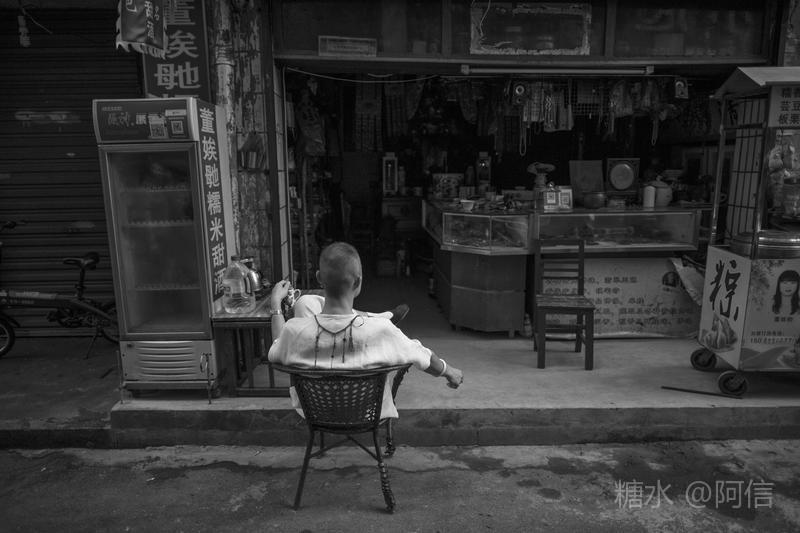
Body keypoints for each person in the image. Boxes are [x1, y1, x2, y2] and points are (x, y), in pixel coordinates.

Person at [268, 241, 463, 419]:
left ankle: (380, 315)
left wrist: (276, 302)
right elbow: (422, 355)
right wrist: (449, 371)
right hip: (367, 414)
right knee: (307, 302)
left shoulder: (294, 330)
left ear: (319, 278)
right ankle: (379, 315)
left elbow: (276, 347)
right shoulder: (382, 332)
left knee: (305, 302)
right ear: (358, 282)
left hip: (315, 413)